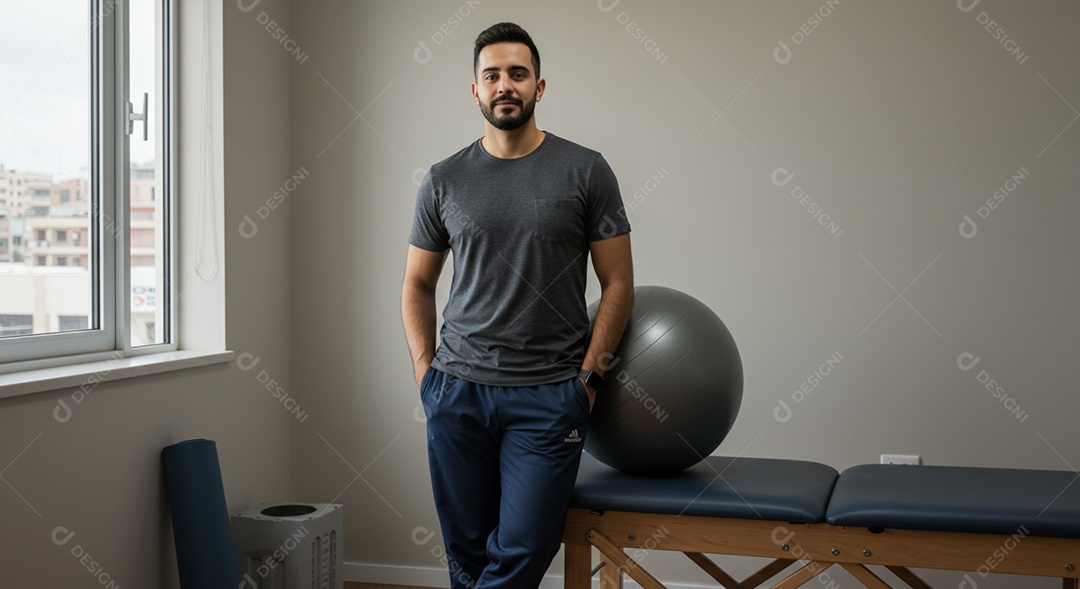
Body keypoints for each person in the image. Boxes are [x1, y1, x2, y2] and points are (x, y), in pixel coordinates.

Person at [401, 22, 634, 589]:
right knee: (466, 554)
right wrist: (425, 374)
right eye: (493, 75)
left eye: (518, 74)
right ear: (475, 91)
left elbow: (619, 282)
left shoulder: (586, 170)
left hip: (550, 393)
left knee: (525, 545)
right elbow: (416, 284)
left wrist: (589, 380)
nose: (505, 85)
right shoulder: (443, 180)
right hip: (457, 390)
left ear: (539, 86)